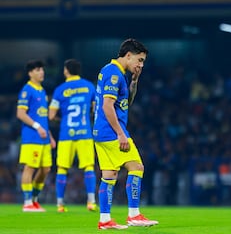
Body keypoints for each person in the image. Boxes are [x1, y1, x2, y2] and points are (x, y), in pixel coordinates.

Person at [93, 38, 158, 230]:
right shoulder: (114, 74)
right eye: (139, 60)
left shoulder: (113, 72)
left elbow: (125, 102)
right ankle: (134, 214)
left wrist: (135, 81)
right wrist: (121, 134)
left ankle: (105, 219)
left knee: (109, 175)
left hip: (100, 132)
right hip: (112, 132)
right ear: (128, 56)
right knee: (137, 166)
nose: (141, 64)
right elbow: (107, 105)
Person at [49, 59, 97, 212]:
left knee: (62, 169)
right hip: (84, 132)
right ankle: (91, 202)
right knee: (89, 167)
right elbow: (95, 109)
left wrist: (61, 118)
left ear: (66, 71)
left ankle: (60, 204)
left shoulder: (59, 90)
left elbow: (51, 115)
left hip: (66, 134)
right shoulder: (89, 86)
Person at [17, 59, 56, 212]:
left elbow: (43, 117)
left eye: (42, 70)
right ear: (30, 73)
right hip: (31, 136)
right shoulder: (27, 90)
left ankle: (34, 199)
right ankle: (27, 202)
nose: (42, 72)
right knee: (30, 167)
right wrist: (37, 126)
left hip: (44, 137)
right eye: (38, 70)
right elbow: (20, 113)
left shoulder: (42, 91)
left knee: (46, 169)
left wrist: (50, 136)